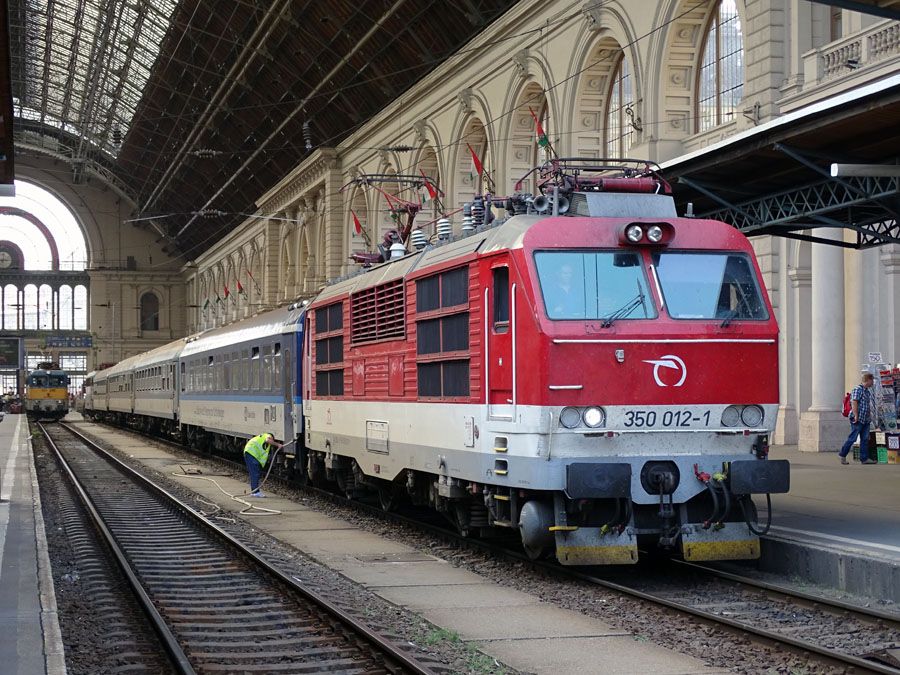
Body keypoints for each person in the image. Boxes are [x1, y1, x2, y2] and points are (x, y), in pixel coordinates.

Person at [839, 372, 878, 465]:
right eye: (872, 380)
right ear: (868, 380)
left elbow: (866, 406)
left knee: (864, 439)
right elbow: (854, 402)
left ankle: (864, 459)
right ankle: (843, 455)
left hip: (866, 419)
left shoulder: (867, 391)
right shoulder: (858, 389)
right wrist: (856, 415)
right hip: (858, 418)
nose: (873, 383)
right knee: (853, 438)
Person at [243, 433, 284, 497]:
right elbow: (268, 440)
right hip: (251, 453)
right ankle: (255, 492)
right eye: (272, 439)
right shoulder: (268, 435)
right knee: (255, 473)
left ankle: (254, 491)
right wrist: (278, 444)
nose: (272, 441)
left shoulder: (261, 438)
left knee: (254, 473)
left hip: (250, 453)